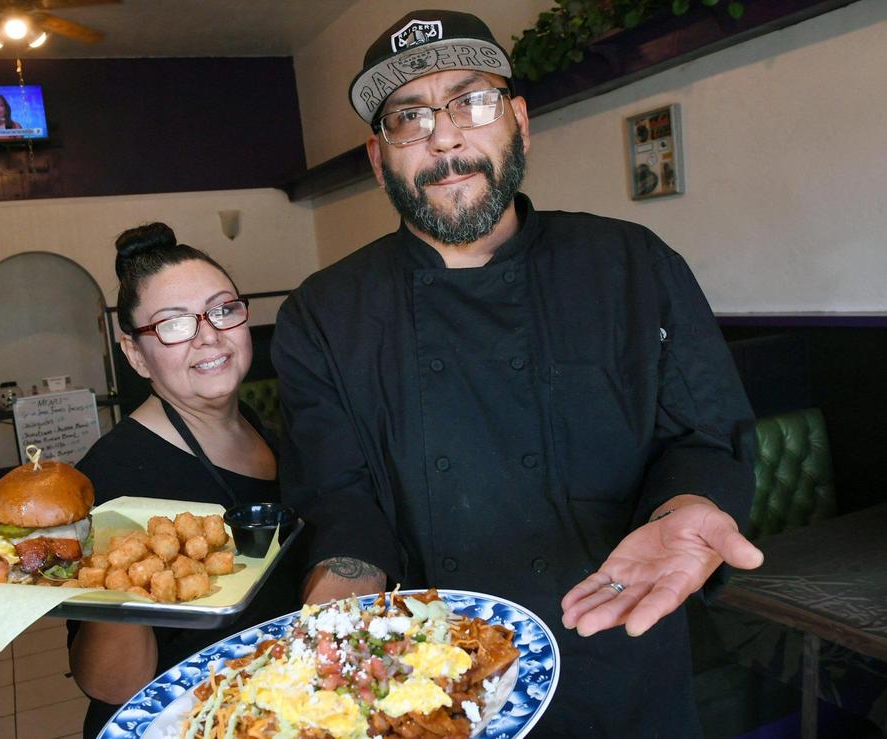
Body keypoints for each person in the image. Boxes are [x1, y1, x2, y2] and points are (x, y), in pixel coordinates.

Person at [270, 10, 764, 737]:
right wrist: (343, 612)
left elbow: (705, 434)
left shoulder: (632, 265)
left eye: (471, 100)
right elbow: (340, 496)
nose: (444, 135)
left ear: (519, 122)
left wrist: (684, 507)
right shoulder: (324, 313)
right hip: (432, 681)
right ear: (379, 159)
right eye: (408, 117)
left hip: (622, 650)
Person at [66, 222, 298, 738]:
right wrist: (115, 578)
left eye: (222, 309)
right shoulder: (112, 476)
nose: (209, 334)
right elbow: (109, 685)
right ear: (134, 354)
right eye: (173, 324)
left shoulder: (260, 426)